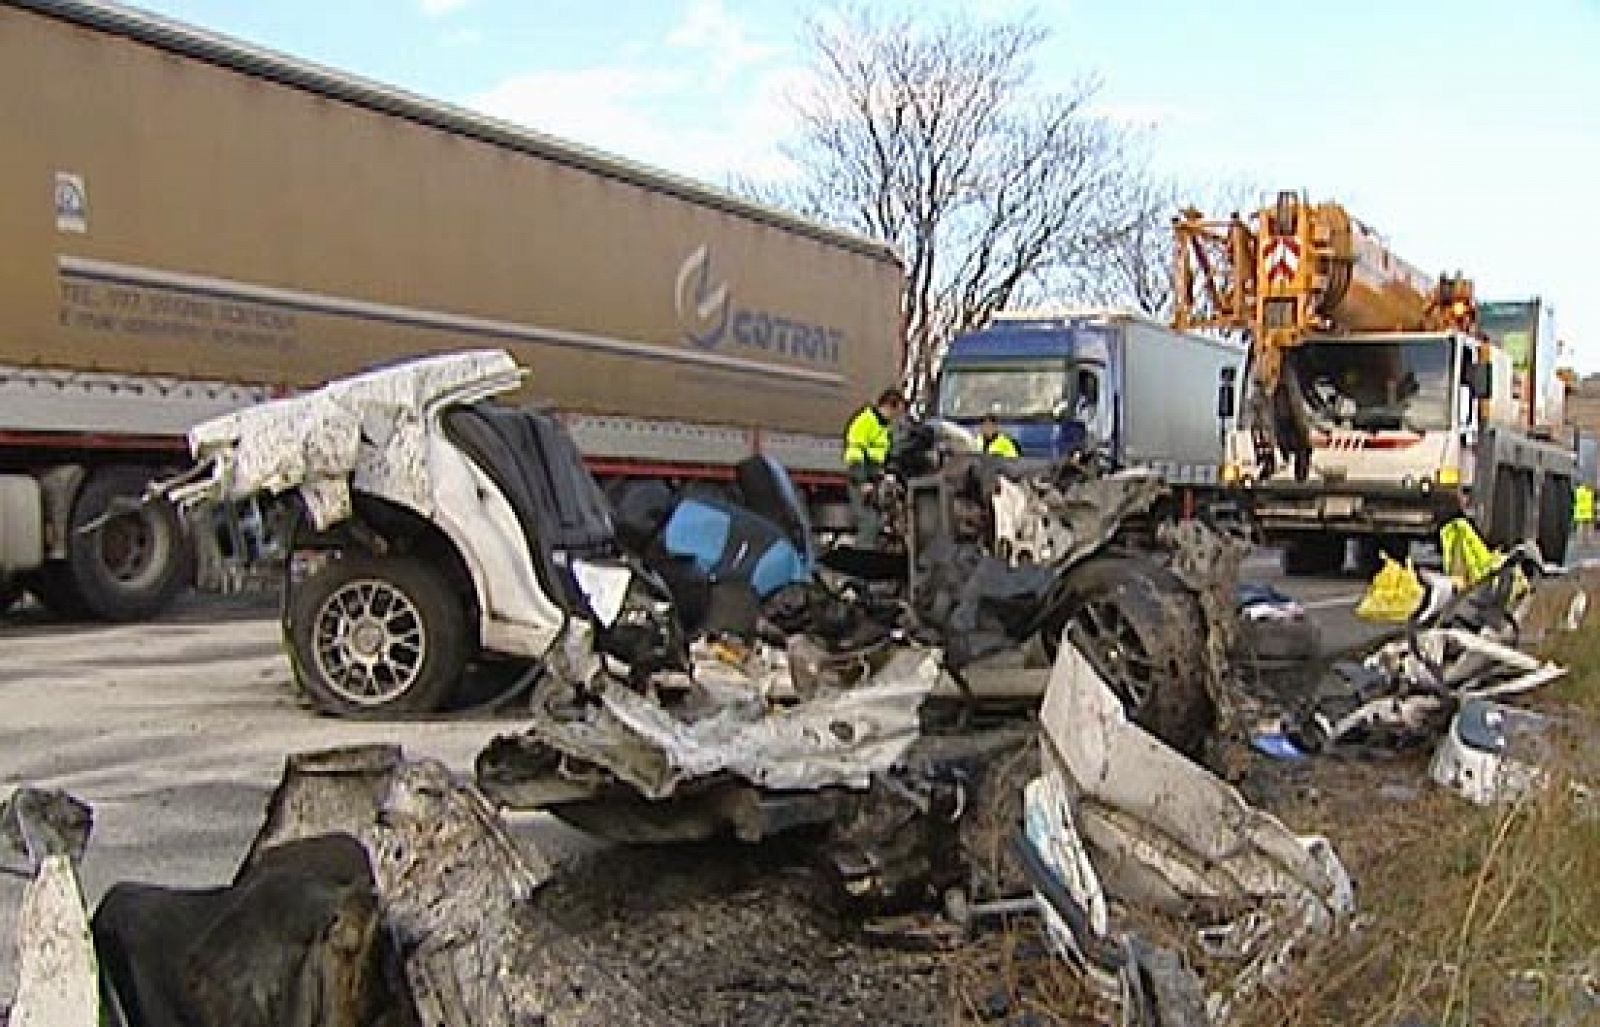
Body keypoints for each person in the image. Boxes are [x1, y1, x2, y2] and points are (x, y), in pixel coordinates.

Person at [842, 387, 906, 546]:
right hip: (861, 480)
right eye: (896, 412)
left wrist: (888, 474)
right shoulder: (865, 421)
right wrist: (862, 481)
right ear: (889, 406)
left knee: (878, 523)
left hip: (874, 480)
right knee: (868, 522)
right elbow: (855, 453)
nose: (896, 417)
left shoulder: (885, 427)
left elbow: (886, 454)